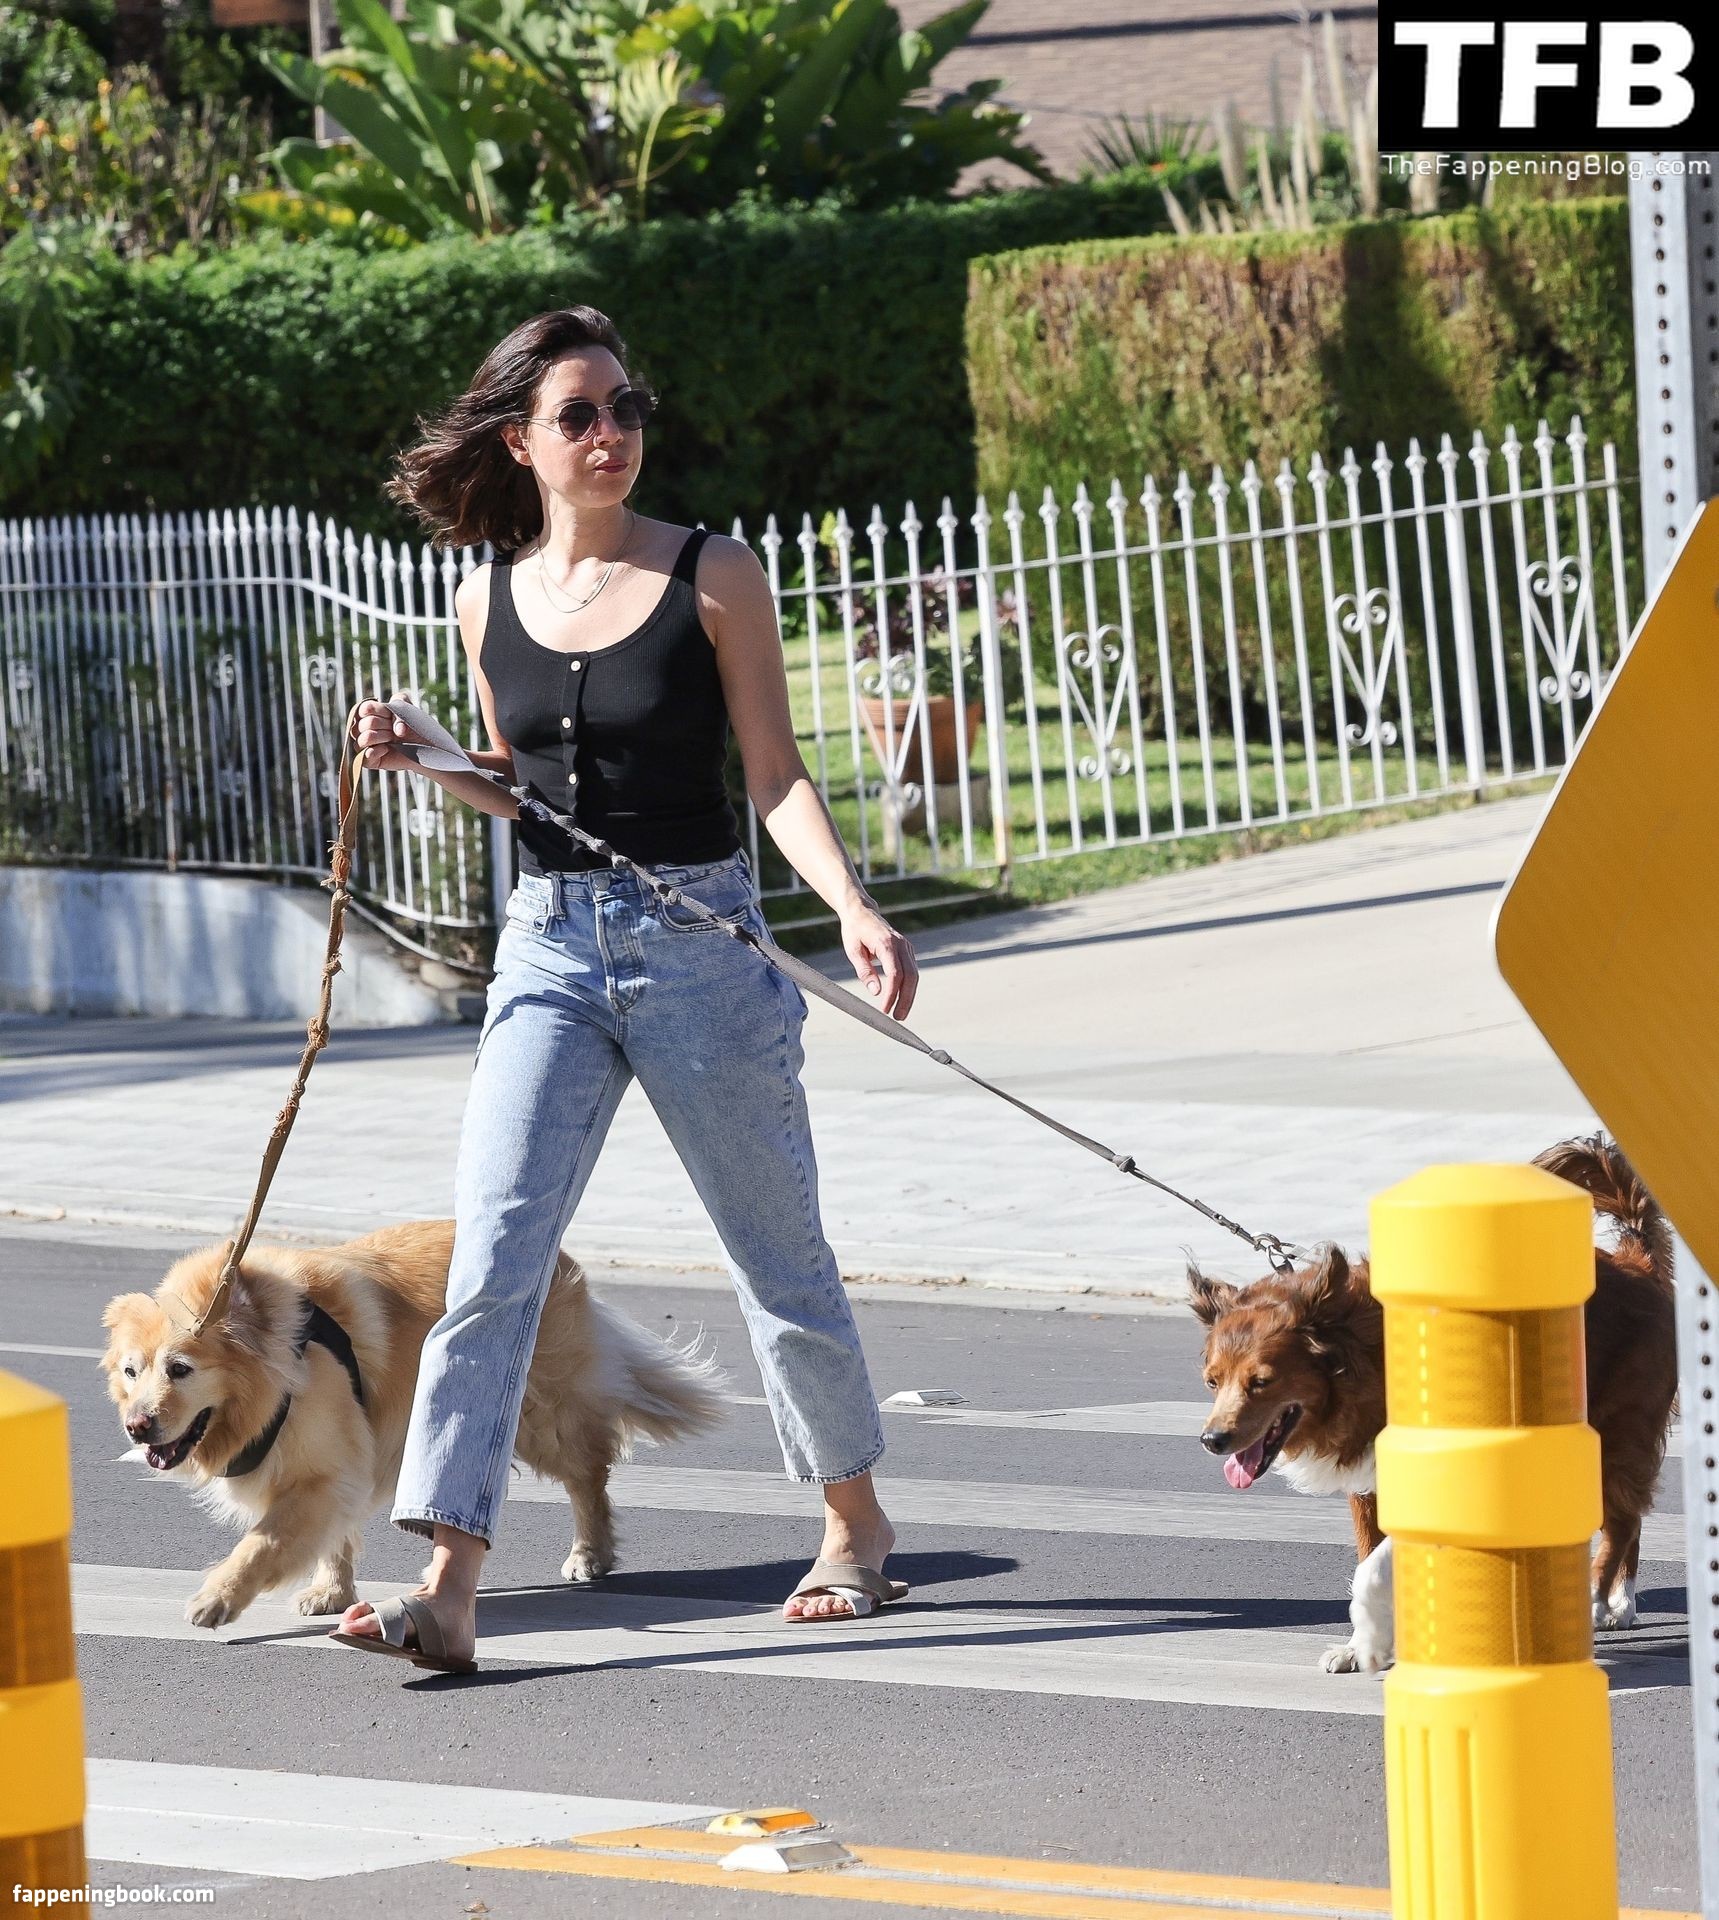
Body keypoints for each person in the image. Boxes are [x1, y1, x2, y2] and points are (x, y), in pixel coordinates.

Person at [331, 306, 919, 1670]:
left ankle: (855, 1525)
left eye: (627, 408)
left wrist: (851, 905)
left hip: (702, 946)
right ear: (520, 443)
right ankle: (451, 1584)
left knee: (776, 1251)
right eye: (580, 416)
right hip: (546, 950)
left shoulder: (715, 573)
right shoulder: (485, 599)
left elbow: (772, 772)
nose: (612, 435)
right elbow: (523, 786)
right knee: (493, 1262)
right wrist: (428, 755)